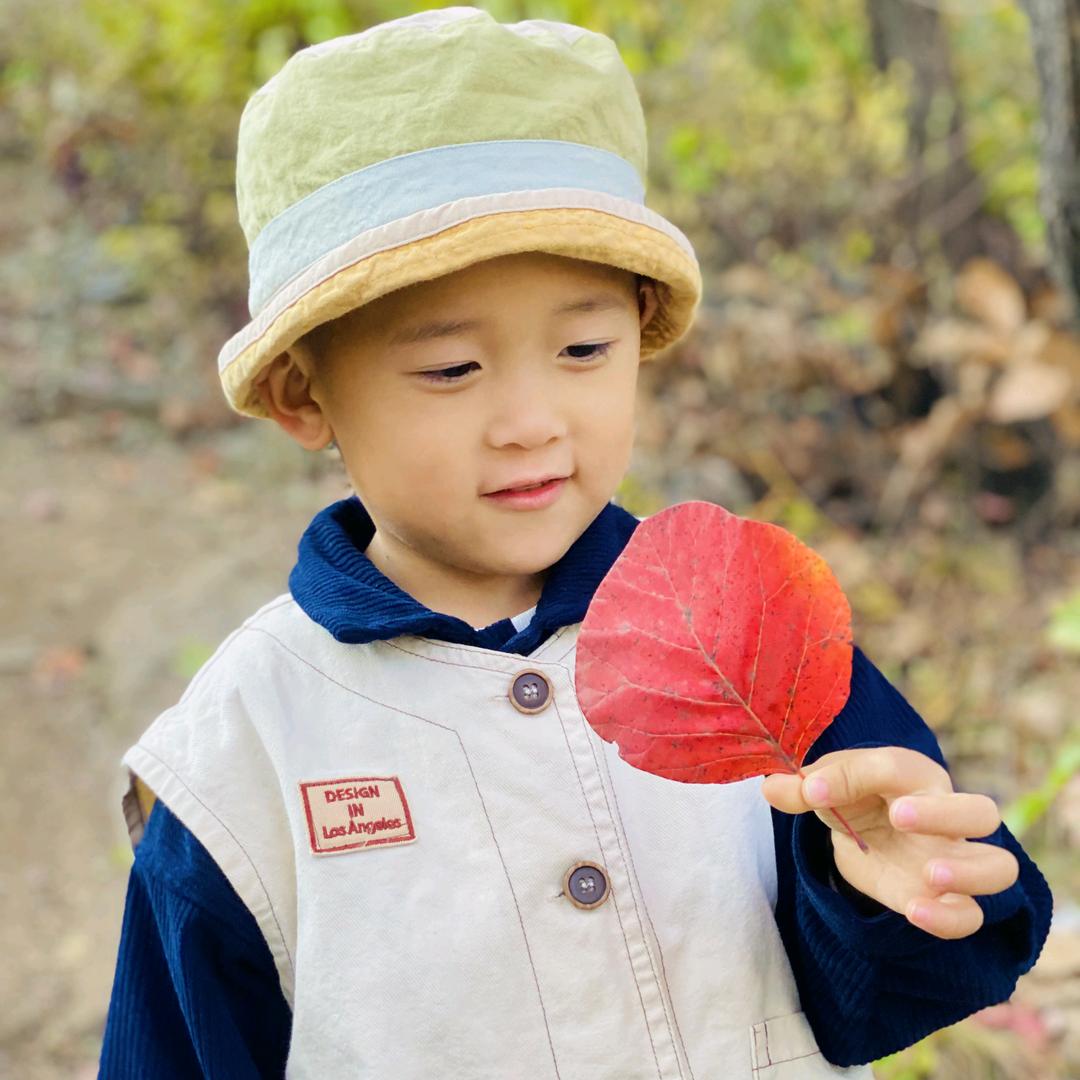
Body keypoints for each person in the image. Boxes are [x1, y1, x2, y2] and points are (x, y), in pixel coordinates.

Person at [98, 8, 1052, 1078]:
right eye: (452, 369)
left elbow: (919, 976)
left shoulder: (732, 620)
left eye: (584, 347)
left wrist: (902, 895)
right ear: (298, 393)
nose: (530, 420)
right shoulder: (244, 752)